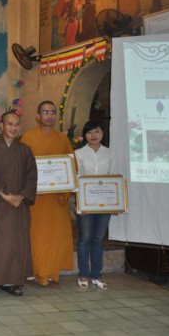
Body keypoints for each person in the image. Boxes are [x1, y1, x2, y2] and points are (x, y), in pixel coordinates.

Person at [0, 111, 37, 297]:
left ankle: (11, 281)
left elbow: (32, 177)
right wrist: (3, 194)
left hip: (19, 205)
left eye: (17, 124)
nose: (13, 128)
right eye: (9, 124)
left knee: (16, 242)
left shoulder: (26, 151)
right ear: (1, 127)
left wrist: (21, 196)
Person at [20, 101, 74, 287]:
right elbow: (22, 165)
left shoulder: (63, 140)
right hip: (36, 198)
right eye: (45, 112)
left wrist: (63, 190)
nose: (49, 116)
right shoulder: (27, 138)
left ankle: (52, 271)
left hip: (55, 198)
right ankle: (35, 270)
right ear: (38, 116)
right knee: (36, 236)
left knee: (54, 237)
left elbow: (71, 167)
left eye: (52, 112)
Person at [74, 121, 116, 290]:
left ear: (102, 133)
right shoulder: (78, 153)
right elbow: (77, 178)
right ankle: (83, 274)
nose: (93, 135)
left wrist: (115, 203)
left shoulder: (110, 153)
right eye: (89, 132)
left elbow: (114, 178)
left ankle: (97, 275)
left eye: (97, 131)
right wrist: (80, 204)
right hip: (86, 203)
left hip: (105, 203)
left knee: (98, 239)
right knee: (85, 238)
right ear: (85, 135)